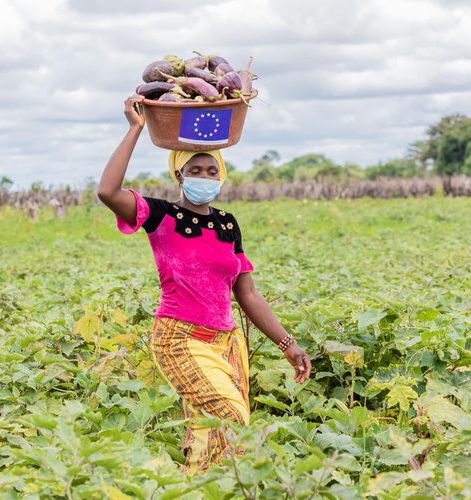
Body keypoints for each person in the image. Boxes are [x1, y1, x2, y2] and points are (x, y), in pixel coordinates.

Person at [97, 95, 311, 470]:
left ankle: (198, 495)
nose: (206, 177)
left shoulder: (228, 224)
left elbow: (247, 294)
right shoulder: (161, 215)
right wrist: (135, 129)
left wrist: (287, 344)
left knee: (213, 433)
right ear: (179, 174)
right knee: (231, 416)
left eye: (213, 171)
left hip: (228, 344)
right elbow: (107, 193)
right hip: (180, 338)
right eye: (196, 170)